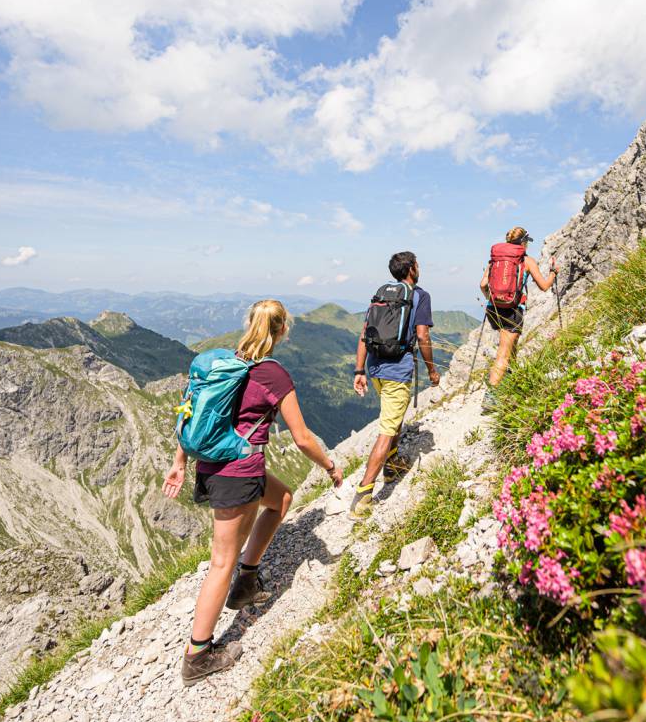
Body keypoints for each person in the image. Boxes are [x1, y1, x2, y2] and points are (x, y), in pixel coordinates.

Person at [162, 299, 343, 686]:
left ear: (249, 324)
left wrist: (180, 460)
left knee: (281, 500)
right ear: (282, 331)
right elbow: (302, 437)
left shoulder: (225, 362)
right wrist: (329, 466)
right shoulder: (273, 374)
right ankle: (198, 655)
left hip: (215, 465)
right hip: (238, 472)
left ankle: (246, 583)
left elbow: (190, 411)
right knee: (220, 562)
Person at [349, 251, 439, 519]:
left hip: (375, 368)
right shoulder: (420, 296)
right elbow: (422, 335)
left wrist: (359, 369)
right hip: (397, 371)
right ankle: (363, 496)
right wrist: (432, 369)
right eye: (418, 264)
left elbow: (365, 334)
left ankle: (392, 465)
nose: (419, 268)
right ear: (411, 269)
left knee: (394, 417)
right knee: (387, 429)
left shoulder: (381, 294)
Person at [480, 227, 557, 411]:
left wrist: (492, 298)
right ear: (523, 242)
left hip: (494, 309)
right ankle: (491, 398)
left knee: (511, 344)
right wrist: (554, 272)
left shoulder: (495, 260)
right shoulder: (526, 261)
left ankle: (512, 376)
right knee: (503, 353)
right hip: (513, 311)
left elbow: (483, 284)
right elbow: (545, 286)